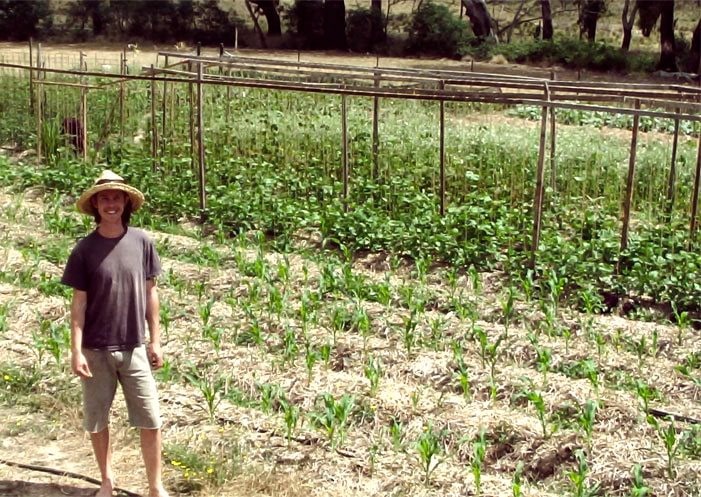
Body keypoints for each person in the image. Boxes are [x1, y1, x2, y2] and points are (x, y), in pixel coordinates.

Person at [61, 170, 169, 497]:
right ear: (95, 204)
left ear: (125, 202)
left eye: (116, 197)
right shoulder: (84, 250)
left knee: (151, 420)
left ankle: (155, 486)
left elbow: (151, 294)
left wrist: (156, 340)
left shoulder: (142, 242)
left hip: (135, 347)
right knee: (97, 420)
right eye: (104, 198)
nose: (111, 203)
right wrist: (76, 350)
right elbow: (79, 304)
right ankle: (107, 481)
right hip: (95, 350)